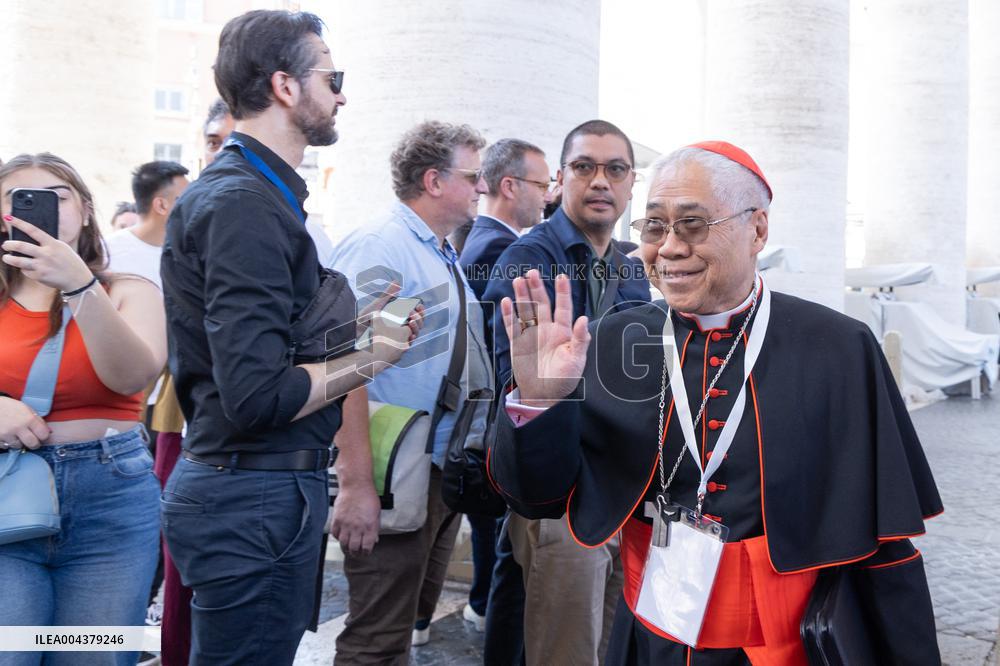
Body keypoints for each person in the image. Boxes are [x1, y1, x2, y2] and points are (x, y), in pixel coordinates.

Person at [490, 141, 943, 664]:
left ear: (757, 230)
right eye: (655, 226)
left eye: (694, 224)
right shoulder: (616, 339)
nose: (670, 247)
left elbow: (885, 545)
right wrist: (539, 402)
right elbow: (537, 498)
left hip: (784, 648)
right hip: (649, 640)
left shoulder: (839, 347)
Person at [159, 11, 417, 664]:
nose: (343, 94)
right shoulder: (244, 203)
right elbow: (256, 396)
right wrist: (370, 359)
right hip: (253, 495)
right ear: (285, 86)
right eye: (333, 78)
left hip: (258, 493)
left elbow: (263, 354)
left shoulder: (256, 196)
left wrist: (352, 333)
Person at [482, 119, 651, 666]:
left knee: (611, 643)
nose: (600, 181)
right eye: (585, 167)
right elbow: (526, 384)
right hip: (562, 493)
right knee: (566, 649)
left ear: (630, 185)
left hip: (623, 488)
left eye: (615, 169)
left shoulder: (630, 271)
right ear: (560, 179)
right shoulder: (527, 260)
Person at [328, 120, 493, 662]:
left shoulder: (436, 249)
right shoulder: (382, 246)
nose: (482, 187)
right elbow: (339, 366)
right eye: (472, 175)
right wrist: (355, 486)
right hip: (390, 470)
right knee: (377, 636)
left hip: (431, 468)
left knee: (398, 629)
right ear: (434, 180)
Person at [0, 152, 167, 666]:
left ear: (87, 210)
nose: (40, 207)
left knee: (91, 658)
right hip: (7, 492)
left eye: (58, 194)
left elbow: (131, 376)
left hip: (111, 503)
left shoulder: (130, 291)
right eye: (17, 198)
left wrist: (77, 286)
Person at [455, 137, 551, 658]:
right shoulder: (499, 248)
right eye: (542, 183)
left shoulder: (481, 238)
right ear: (510, 186)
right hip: (498, 425)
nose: (549, 195)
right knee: (502, 554)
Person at [200, 96, 336, 266]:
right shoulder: (184, 221)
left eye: (234, 142)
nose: (223, 152)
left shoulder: (308, 236)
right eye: (213, 143)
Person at [105, 161, 189, 289]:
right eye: (187, 199)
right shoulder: (106, 253)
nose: (194, 205)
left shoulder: (190, 253)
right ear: (161, 205)